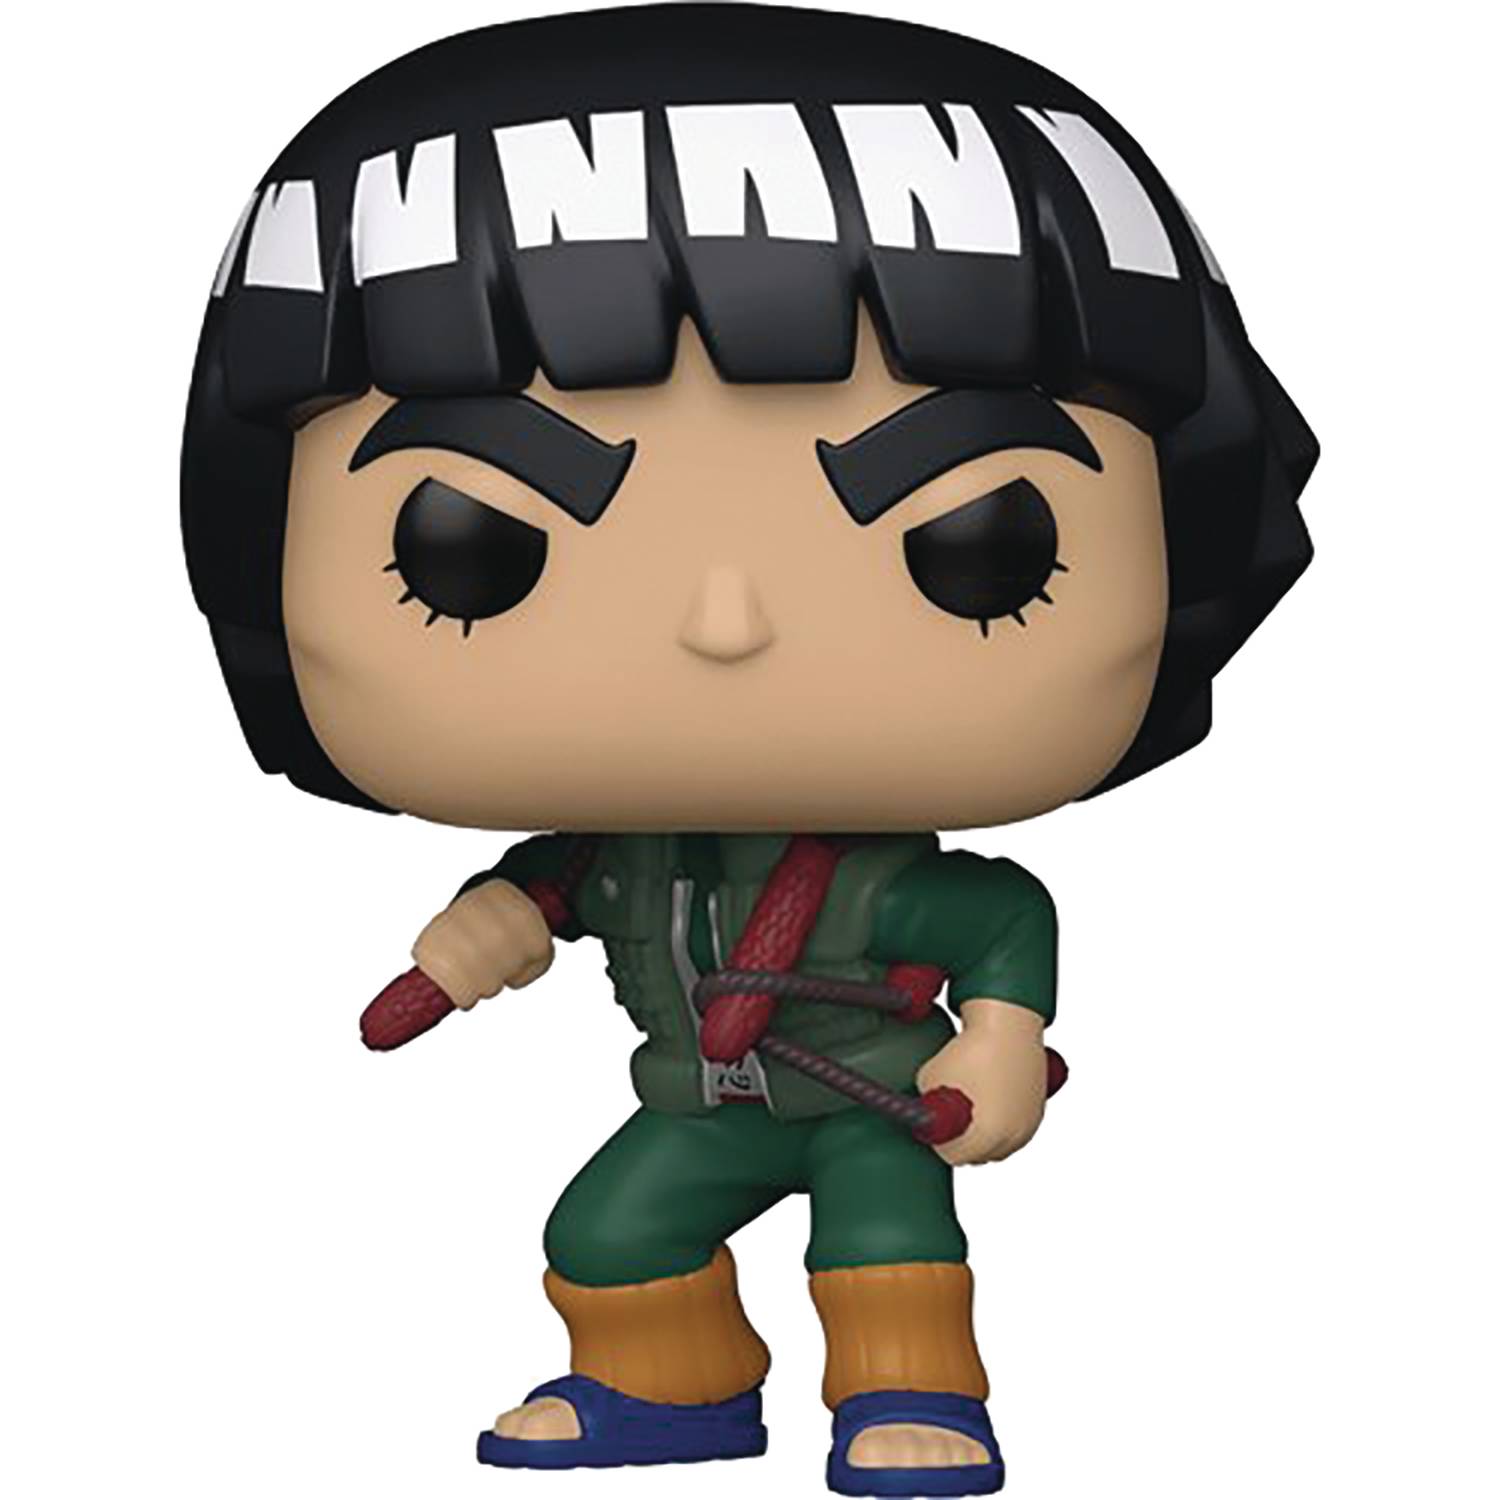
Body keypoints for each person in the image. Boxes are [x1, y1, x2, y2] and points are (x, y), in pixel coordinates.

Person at [181, 6, 1316, 1494]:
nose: (726, 626)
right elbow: (544, 895)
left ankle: (914, 1393)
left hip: (867, 1107)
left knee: (886, 1247)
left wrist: (1000, 1036)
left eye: (982, 547)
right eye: (472, 551)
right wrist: (470, 947)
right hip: (694, 1104)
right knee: (604, 1233)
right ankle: (672, 1382)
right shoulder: (612, 852)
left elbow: (999, 916)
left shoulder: (876, 881)